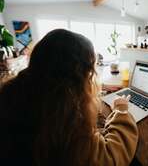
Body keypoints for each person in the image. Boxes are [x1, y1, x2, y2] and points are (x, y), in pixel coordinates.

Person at [0, 29, 138, 166]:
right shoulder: (64, 116)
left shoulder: (17, 93)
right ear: (76, 76)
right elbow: (109, 158)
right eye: (89, 71)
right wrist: (121, 110)